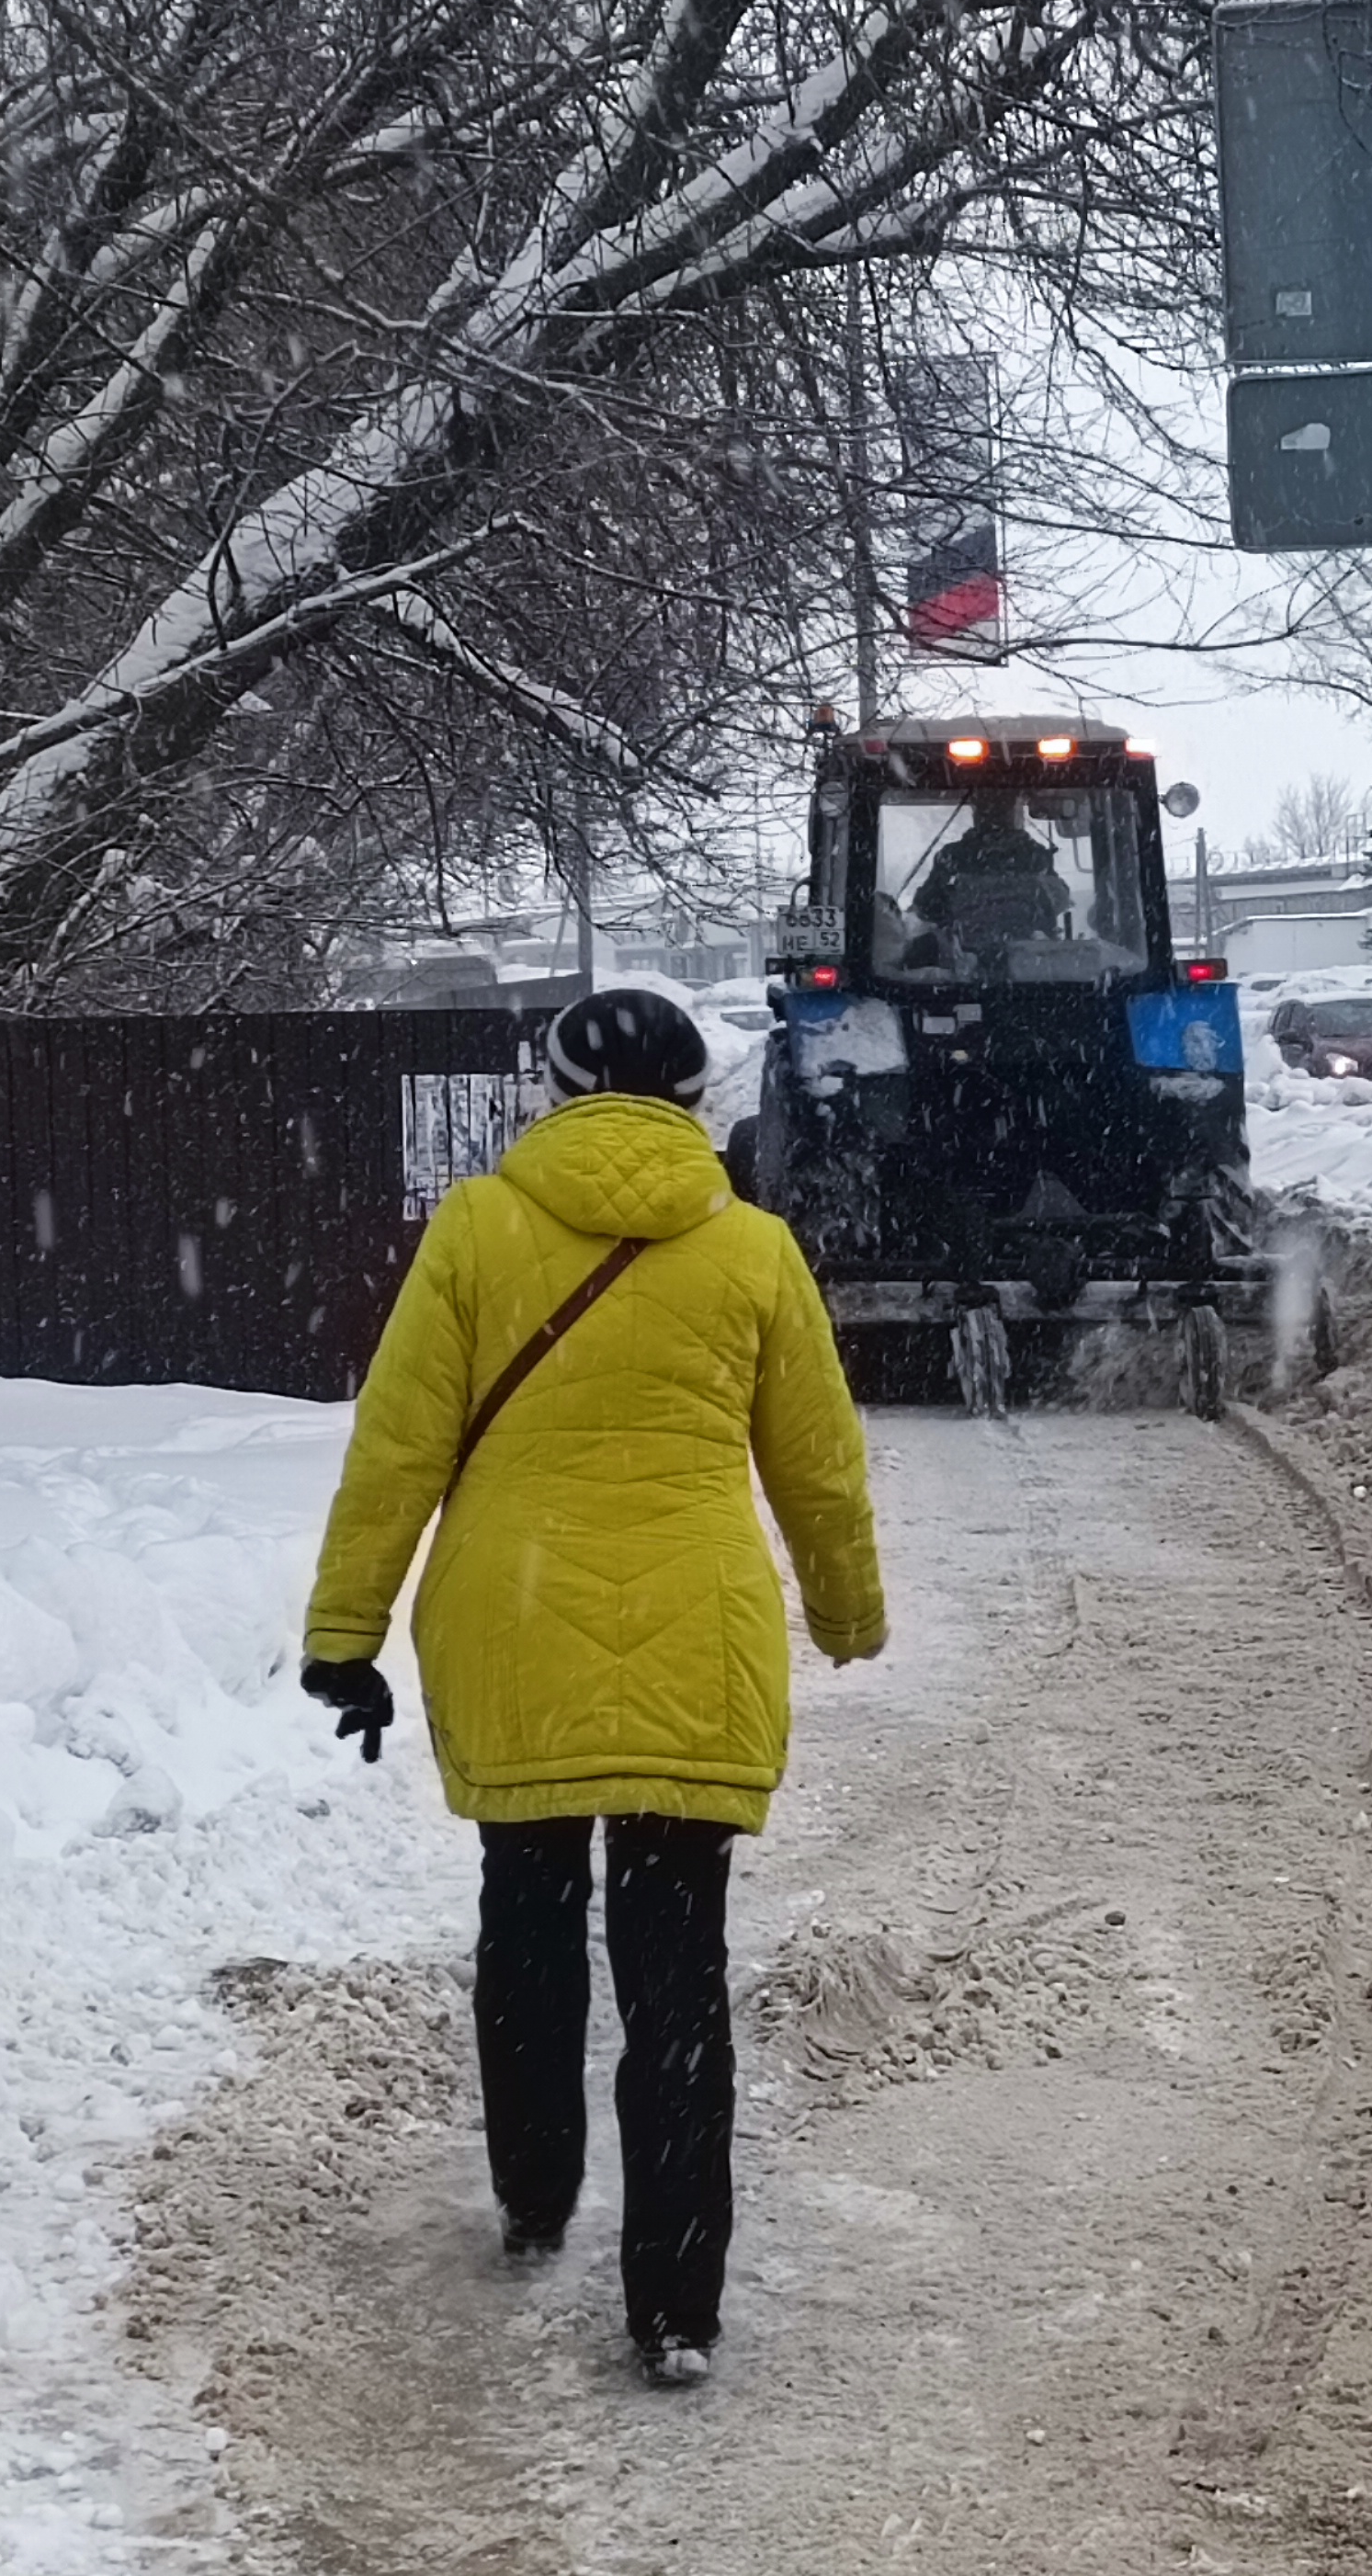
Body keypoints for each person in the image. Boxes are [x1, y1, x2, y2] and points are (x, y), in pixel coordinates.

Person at [297, 989, 884, 2391]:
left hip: (517, 1618)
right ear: (694, 1097)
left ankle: (534, 2195)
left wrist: (345, 1628)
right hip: (699, 1626)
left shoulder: (479, 1232)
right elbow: (818, 1458)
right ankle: (675, 2303)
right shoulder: (752, 1249)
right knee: (680, 1977)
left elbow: (399, 1450)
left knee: (530, 1917)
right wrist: (847, 1610)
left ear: (552, 1088)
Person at [910, 790, 1072, 953]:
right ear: (1015, 814)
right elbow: (1058, 900)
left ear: (977, 814)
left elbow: (927, 906)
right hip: (1029, 957)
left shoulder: (953, 856)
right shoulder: (1035, 856)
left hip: (965, 957)